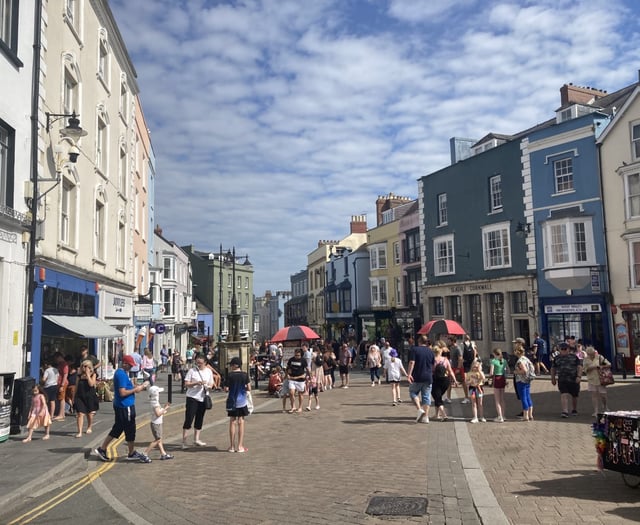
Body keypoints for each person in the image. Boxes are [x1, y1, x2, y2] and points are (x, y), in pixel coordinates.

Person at [93, 354, 150, 463]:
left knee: (118, 428)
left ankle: (103, 448)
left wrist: (138, 386)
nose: (131, 367)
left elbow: (126, 388)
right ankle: (131, 452)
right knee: (130, 429)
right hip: (125, 406)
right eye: (129, 365)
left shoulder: (122, 373)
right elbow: (122, 392)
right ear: (124, 363)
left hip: (122, 405)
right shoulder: (121, 374)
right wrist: (136, 389)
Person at [181, 354, 214, 448]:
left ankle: (196, 439)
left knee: (199, 418)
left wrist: (209, 386)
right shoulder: (192, 371)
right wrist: (196, 383)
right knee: (189, 418)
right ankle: (184, 441)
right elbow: (186, 384)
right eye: (197, 362)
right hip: (192, 397)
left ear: (205, 363)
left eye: (200, 363)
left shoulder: (209, 371)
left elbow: (211, 383)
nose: (198, 364)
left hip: (203, 397)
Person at [407, 334, 435, 424]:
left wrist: (409, 374)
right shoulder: (430, 351)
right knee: (426, 397)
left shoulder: (414, 350)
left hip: (417, 376)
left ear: (419, 341)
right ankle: (426, 417)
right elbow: (433, 365)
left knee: (413, 393)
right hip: (428, 377)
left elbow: (412, 362)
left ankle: (419, 409)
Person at [551, 342, 583, 418]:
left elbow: (579, 367)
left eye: (565, 349)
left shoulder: (574, 357)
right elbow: (553, 368)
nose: (563, 350)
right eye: (562, 349)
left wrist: (579, 376)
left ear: (568, 349)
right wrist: (553, 378)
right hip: (562, 380)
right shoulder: (556, 358)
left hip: (573, 379)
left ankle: (574, 409)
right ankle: (565, 411)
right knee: (563, 394)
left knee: (574, 395)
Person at [225, 357, 250, 453]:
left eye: (231, 364)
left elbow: (226, 389)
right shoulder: (244, 375)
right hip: (242, 401)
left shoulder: (230, 375)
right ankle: (240, 446)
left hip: (232, 400)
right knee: (241, 421)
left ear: (235, 365)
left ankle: (231, 446)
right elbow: (249, 388)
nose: (230, 366)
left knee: (232, 421)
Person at [143, 386, 173, 460]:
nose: (159, 394)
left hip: (156, 422)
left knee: (159, 439)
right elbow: (158, 414)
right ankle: (145, 453)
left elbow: (158, 412)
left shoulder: (154, 401)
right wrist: (165, 408)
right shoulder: (155, 403)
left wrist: (163, 409)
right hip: (156, 424)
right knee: (157, 440)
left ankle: (163, 454)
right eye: (158, 392)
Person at [74, 359, 100, 437]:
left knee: (89, 414)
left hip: (89, 396)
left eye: (86, 366)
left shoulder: (93, 374)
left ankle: (89, 426)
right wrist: (73, 397)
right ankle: (79, 432)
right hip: (80, 396)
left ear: (90, 367)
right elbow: (76, 386)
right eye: (83, 366)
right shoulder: (79, 376)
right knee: (80, 414)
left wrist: (88, 375)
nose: (84, 368)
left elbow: (91, 384)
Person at [583, 346, 611, 417]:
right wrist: (591, 367)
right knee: (594, 395)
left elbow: (609, 364)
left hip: (601, 379)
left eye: (592, 353)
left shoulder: (599, 357)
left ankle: (605, 406)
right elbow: (585, 370)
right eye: (589, 354)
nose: (591, 355)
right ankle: (596, 411)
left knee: (603, 395)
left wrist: (602, 366)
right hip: (591, 379)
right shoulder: (586, 359)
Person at [432, 342, 457, 419]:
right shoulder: (445, 360)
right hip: (445, 381)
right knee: (438, 396)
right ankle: (436, 415)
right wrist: (455, 380)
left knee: (437, 397)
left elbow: (431, 370)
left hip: (436, 380)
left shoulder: (433, 360)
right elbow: (450, 371)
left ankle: (444, 414)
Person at [513, 345, 535, 421]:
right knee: (528, 397)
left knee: (523, 398)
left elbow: (524, 370)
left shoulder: (520, 361)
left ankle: (525, 416)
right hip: (527, 380)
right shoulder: (526, 359)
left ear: (517, 352)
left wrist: (516, 372)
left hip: (521, 380)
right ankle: (530, 414)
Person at [488, 348, 509, 422]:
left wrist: (489, 377)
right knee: (502, 398)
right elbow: (507, 370)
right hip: (502, 378)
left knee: (497, 400)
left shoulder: (493, 361)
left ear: (494, 353)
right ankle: (503, 415)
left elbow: (491, 372)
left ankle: (500, 417)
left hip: (496, 378)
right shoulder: (504, 361)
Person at [286, 348, 309, 413]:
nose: (297, 357)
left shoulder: (303, 360)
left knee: (300, 394)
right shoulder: (291, 359)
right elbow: (287, 368)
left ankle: (300, 407)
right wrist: (287, 374)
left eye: (298, 355)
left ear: (300, 355)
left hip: (300, 379)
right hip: (292, 378)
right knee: (291, 392)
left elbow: (307, 369)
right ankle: (293, 406)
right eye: (296, 355)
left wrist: (308, 376)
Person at [460, 335, 476, 404]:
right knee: (470, 380)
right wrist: (474, 360)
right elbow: (475, 352)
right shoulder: (472, 343)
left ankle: (467, 397)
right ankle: (471, 396)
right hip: (470, 363)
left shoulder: (462, 344)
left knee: (466, 381)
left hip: (466, 363)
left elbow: (461, 355)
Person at [53, 351, 69, 420]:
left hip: (62, 383)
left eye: (56, 359)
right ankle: (62, 414)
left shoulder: (64, 364)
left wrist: (62, 385)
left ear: (59, 357)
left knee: (61, 399)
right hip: (60, 383)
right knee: (61, 398)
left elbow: (65, 374)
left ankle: (61, 414)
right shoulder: (61, 364)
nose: (56, 360)